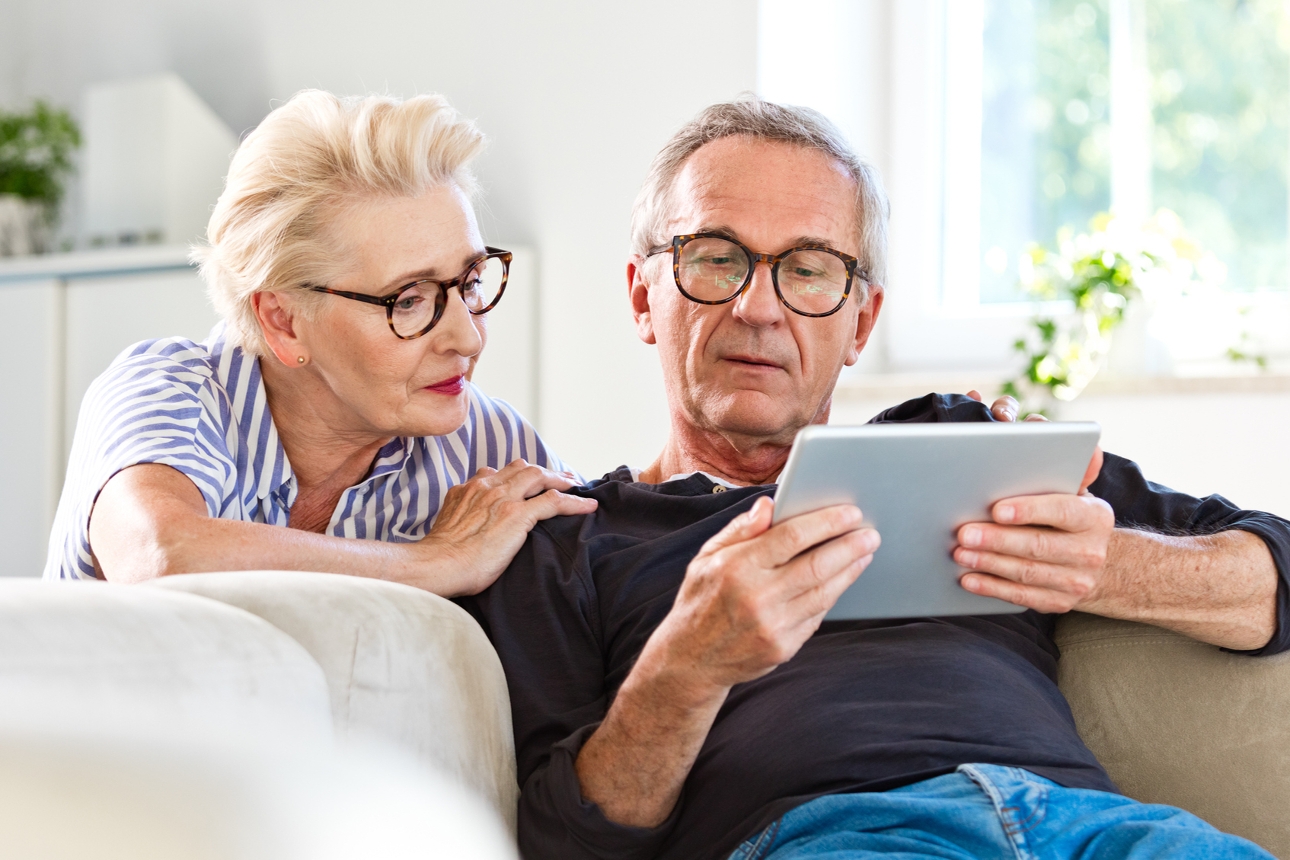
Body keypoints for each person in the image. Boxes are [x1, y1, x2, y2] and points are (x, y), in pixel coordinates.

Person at [459, 99, 1289, 860]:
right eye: (716, 258)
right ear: (644, 297)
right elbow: (570, 842)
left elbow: (1277, 573)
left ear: (862, 321)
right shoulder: (567, 535)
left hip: (1095, 829)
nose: (759, 307)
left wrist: (1109, 567)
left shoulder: (967, 442)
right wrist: (686, 668)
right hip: (840, 837)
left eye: (810, 269)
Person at [44, 90, 597, 593]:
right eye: (408, 300)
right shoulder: (166, 392)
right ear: (283, 321)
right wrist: (437, 563)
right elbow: (162, 556)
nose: (468, 336)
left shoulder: (489, 446)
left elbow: (599, 582)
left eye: (471, 283)